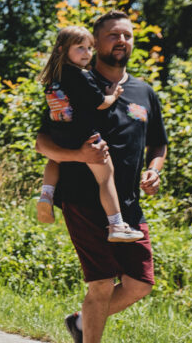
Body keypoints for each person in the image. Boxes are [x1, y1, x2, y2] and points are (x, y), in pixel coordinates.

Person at [35, 10, 169, 343]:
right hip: (84, 200)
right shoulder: (76, 81)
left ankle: (81, 323)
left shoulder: (144, 91)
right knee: (100, 284)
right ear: (95, 43)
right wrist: (80, 156)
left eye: (127, 35)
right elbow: (44, 142)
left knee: (140, 282)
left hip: (128, 207)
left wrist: (155, 168)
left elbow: (158, 141)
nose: (121, 41)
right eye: (113, 35)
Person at [36, 26, 143, 243]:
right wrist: (113, 95)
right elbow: (100, 104)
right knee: (106, 176)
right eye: (80, 48)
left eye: (89, 48)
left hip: (58, 132)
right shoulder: (81, 76)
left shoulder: (54, 76)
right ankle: (116, 224)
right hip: (84, 135)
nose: (87, 53)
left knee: (55, 159)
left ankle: (46, 194)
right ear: (62, 49)